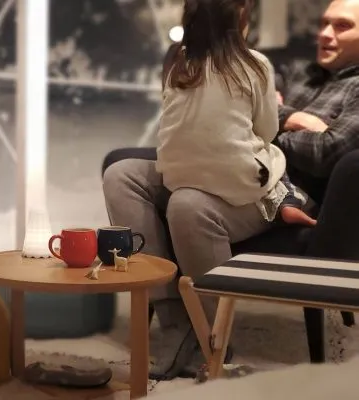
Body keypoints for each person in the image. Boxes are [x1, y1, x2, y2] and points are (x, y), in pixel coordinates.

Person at [102, 0, 359, 378]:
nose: (325, 34)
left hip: (273, 189)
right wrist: (294, 121)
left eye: (342, 26)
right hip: (231, 164)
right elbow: (256, 118)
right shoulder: (296, 71)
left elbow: (327, 151)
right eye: (324, 23)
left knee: (188, 205)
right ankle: (177, 322)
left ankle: (213, 340)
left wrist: (254, 128)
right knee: (122, 175)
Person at [156, 0, 316, 228]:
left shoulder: (178, 63)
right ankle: (287, 200)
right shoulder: (255, 64)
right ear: (239, 23)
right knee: (272, 153)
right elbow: (267, 131)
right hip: (236, 182)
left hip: (174, 177)